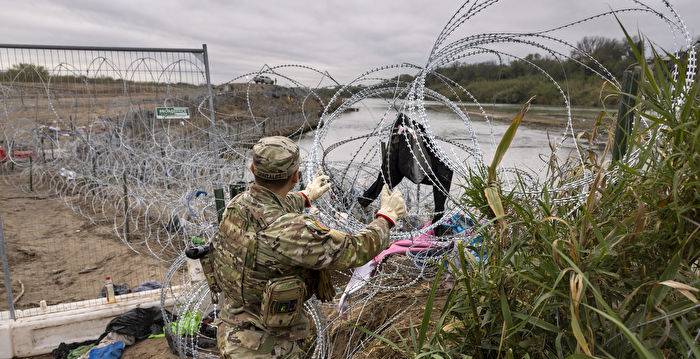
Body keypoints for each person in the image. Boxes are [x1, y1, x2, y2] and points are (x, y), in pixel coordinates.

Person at [211, 136, 407, 358]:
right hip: (267, 347)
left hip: (232, 331)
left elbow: (270, 207)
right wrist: (387, 217)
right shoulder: (292, 230)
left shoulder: (238, 204)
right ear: (295, 176)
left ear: (253, 168)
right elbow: (354, 250)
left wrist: (306, 196)